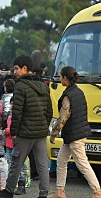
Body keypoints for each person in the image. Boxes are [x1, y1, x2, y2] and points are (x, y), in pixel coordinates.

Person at [0, 55, 52, 198]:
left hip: (25, 132)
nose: (15, 71)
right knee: (42, 165)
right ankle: (44, 194)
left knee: (16, 162)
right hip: (40, 132)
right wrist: (44, 125)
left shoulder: (20, 86)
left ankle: (8, 191)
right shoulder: (43, 85)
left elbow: (17, 111)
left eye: (17, 69)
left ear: (25, 68)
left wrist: (14, 132)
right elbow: (49, 110)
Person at [48, 66, 101, 198]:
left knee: (82, 164)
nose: (60, 79)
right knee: (61, 160)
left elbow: (62, 118)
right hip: (74, 134)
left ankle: (97, 191)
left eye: (61, 77)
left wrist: (54, 133)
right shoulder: (79, 92)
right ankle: (60, 192)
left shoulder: (68, 95)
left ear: (65, 78)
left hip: (74, 135)